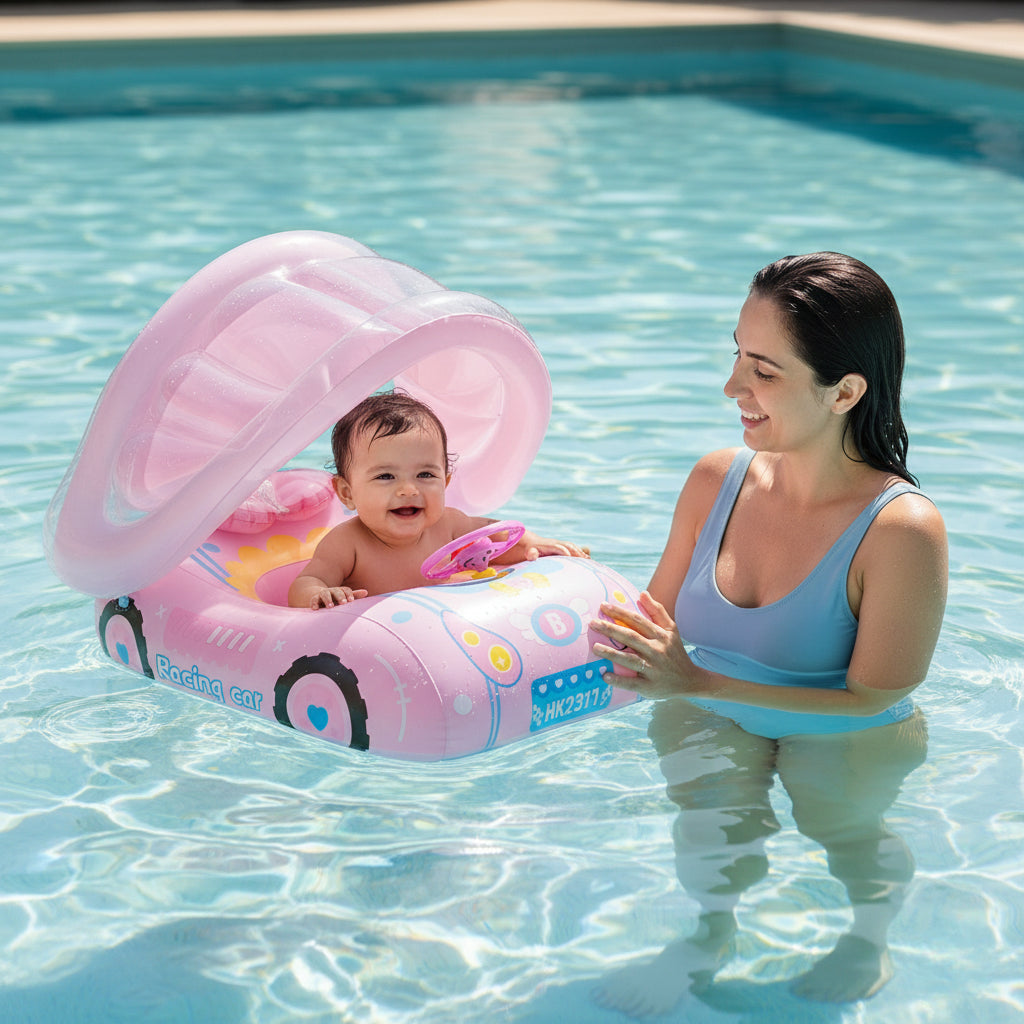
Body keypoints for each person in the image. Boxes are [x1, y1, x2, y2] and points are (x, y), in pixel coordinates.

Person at [590, 252, 948, 1009]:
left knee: (835, 821)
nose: (731, 389)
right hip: (711, 700)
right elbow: (645, 624)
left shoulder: (900, 531)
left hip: (845, 729)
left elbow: (872, 699)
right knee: (709, 827)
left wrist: (696, 682)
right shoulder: (714, 480)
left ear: (844, 391)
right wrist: (536, 573)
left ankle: (869, 935)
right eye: (735, 356)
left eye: (764, 370)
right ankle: (707, 932)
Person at [288, 391, 589, 609]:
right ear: (347, 492)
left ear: (445, 481)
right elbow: (306, 583)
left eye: (425, 475)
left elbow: (497, 538)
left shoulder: (449, 525)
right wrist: (319, 594)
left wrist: (532, 545)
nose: (408, 490)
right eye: (385, 477)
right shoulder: (347, 544)